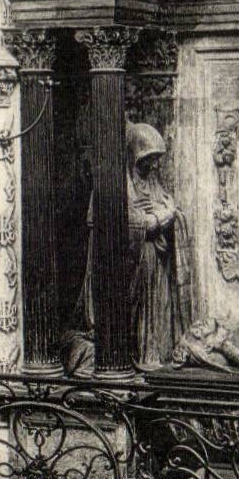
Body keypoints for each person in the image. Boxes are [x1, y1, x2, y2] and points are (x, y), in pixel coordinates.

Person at [65, 122, 191, 372]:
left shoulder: (151, 182)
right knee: (133, 312)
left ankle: (152, 353)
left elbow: (169, 208)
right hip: (128, 268)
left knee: (155, 311)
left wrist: (166, 214)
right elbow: (133, 225)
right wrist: (162, 216)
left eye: (156, 160)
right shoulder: (116, 186)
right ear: (134, 157)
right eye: (149, 160)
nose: (154, 166)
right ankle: (136, 354)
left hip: (154, 265)